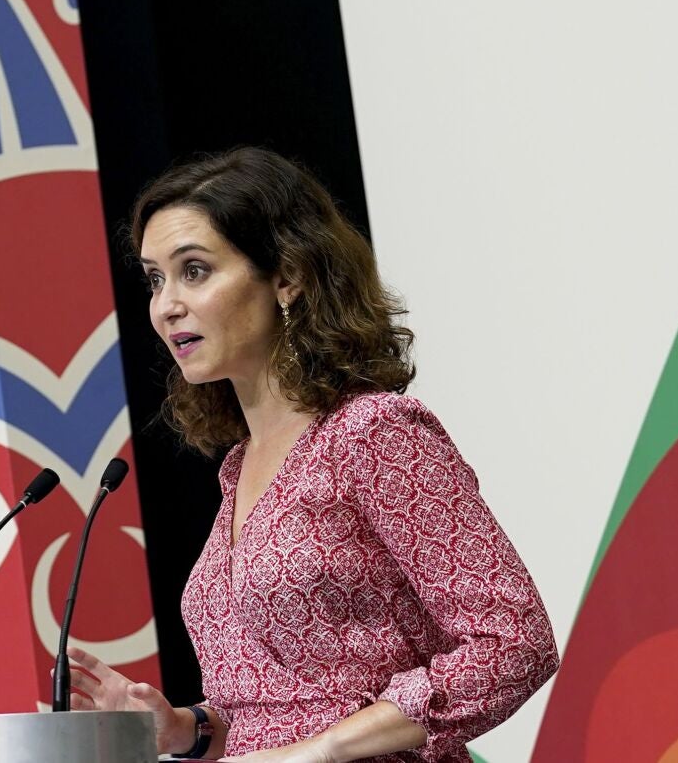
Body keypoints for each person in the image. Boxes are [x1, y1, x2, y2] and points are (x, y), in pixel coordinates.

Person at [64, 147, 559, 762]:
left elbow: (514, 642)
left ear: (287, 277)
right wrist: (188, 729)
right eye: (155, 279)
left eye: (195, 270)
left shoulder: (373, 433)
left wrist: (323, 750)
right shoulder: (239, 467)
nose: (166, 305)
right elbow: (279, 708)